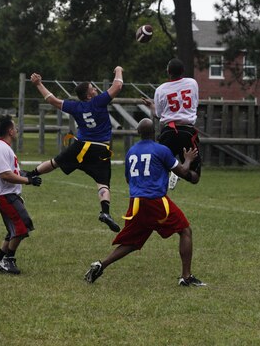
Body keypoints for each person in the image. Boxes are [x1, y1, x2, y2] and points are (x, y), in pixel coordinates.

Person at [85, 118, 206, 287]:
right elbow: (182, 171)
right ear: (154, 132)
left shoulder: (131, 152)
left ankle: (100, 265)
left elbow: (128, 179)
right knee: (185, 230)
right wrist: (188, 159)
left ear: (138, 133)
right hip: (155, 200)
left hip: (136, 202)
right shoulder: (162, 150)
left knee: (132, 243)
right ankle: (186, 276)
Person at [28, 66, 125, 232]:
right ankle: (105, 212)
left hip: (81, 145)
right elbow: (117, 86)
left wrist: (38, 84)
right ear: (89, 95)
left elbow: (52, 100)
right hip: (101, 148)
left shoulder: (76, 106)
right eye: (92, 88)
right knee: (102, 184)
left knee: (56, 162)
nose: (95, 89)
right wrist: (118, 70)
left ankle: (30, 174)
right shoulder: (99, 101)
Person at [0, 115, 42, 274]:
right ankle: (8, 260)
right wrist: (28, 181)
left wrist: (28, 175)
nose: (16, 130)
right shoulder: (1, 148)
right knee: (22, 226)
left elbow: (12, 171)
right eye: (14, 128)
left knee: (15, 229)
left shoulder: (3, 147)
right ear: (9, 131)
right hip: (3, 195)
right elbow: (5, 175)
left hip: (6, 194)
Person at [142, 58, 201, 190]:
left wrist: (151, 105)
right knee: (195, 176)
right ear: (183, 71)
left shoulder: (161, 89)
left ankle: (173, 173)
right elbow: (194, 104)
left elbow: (159, 115)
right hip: (187, 132)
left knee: (160, 167)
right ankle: (181, 171)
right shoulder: (192, 83)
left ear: (168, 72)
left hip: (168, 132)